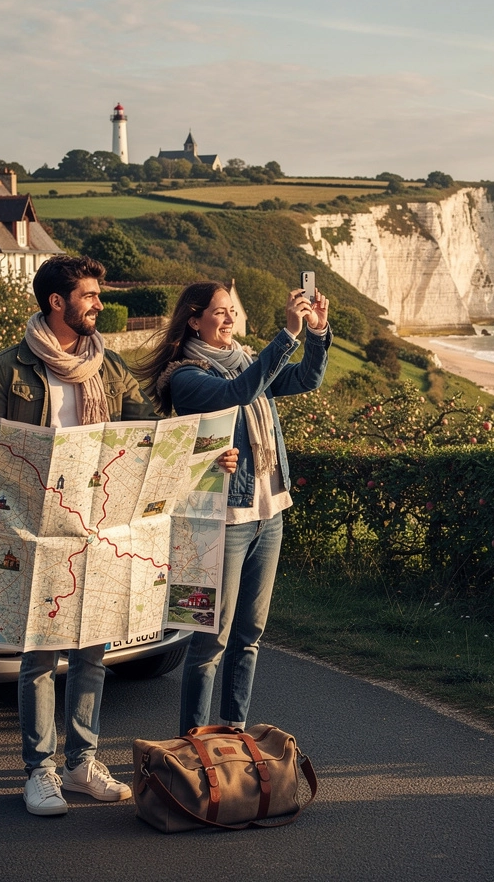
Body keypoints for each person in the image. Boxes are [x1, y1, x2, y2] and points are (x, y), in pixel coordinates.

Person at [0, 255, 237, 817]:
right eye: (90, 296)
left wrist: (209, 455)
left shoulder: (110, 369)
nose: (99, 304)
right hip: (37, 530)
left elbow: (151, 437)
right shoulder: (9, 369)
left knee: (94, 651)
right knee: (41, 656)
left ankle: (81, 762)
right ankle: (39, 771)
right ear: (56, 302)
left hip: (99, 529)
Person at [133, 281, 330, 734]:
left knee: (250, 637)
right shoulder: (185, 376)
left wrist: (316, 333)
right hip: (217, 522)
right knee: (210, 642)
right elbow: (236, 394)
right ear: (194, 320)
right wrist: (287, 335)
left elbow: (306, 379)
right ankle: (194, 742)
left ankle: (234, 733)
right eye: (219, 312)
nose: (229, 319)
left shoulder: (244, 360)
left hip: (268, 513)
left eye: (231, 312)